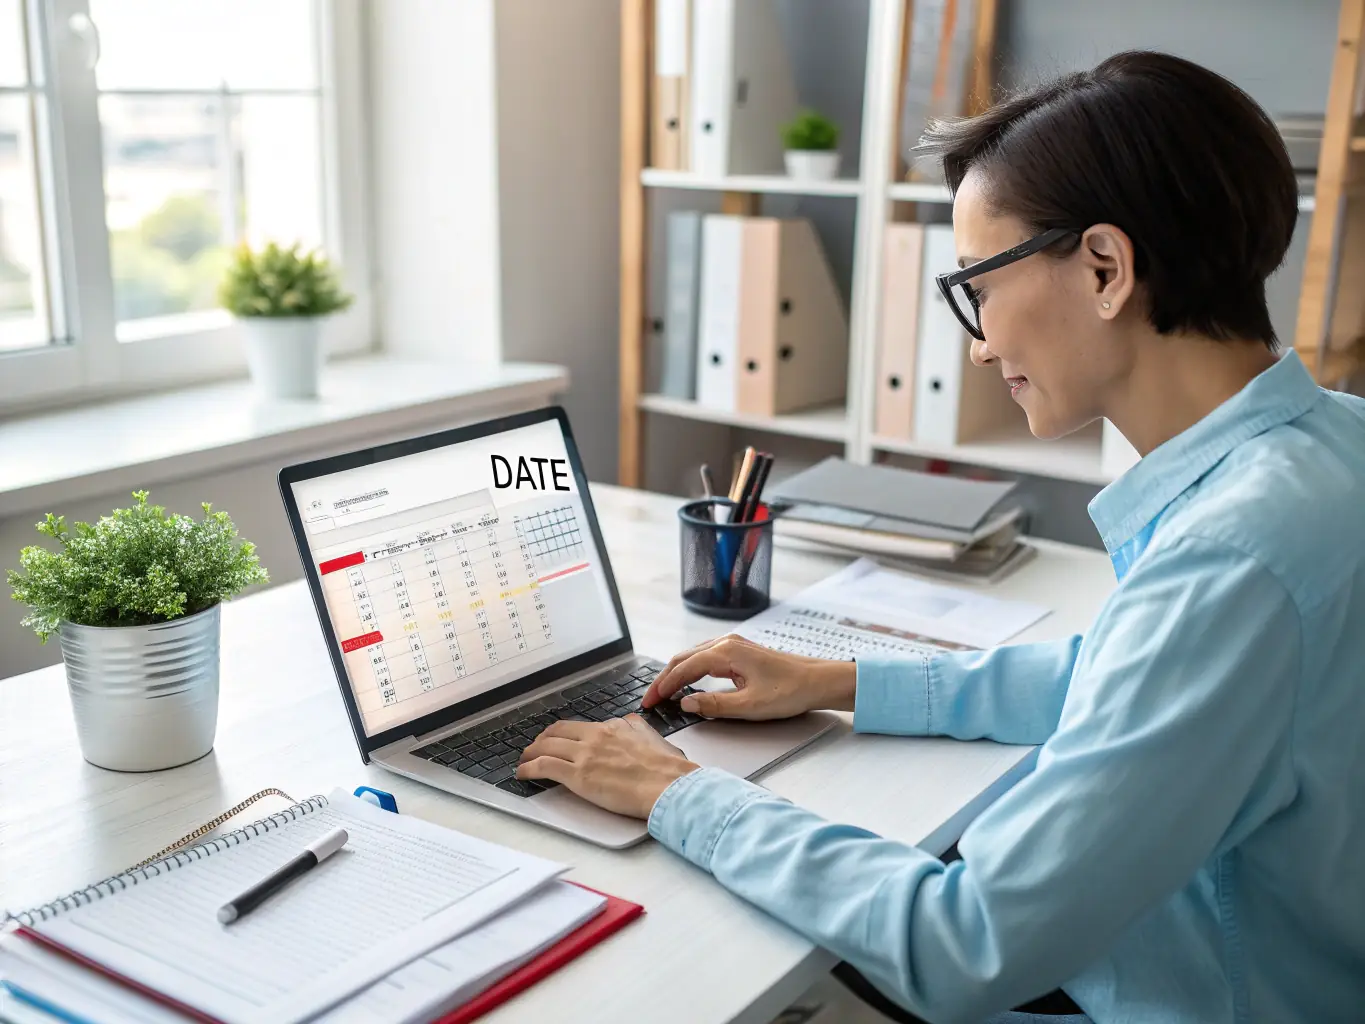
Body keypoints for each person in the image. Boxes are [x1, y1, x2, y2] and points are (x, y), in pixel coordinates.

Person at [518, 51, 1365, 1023]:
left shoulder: (1233, 558)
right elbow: (1129, 676)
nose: (978, 342)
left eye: (978, 288)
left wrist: (674, 792)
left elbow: (963, 943)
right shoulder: (1335, 445)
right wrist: (841, 682)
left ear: (1105, 267)